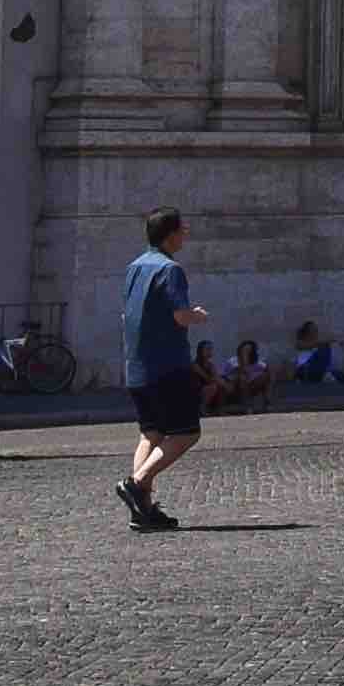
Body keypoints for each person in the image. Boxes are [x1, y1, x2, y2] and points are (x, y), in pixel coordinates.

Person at [118, 206, 200, 531]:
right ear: (170, 234)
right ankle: (137, 484)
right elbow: (179, 316)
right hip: (167, 366)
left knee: (150, 434)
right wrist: (197, 315)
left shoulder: (133, 268)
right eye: (182, 228)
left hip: (136, 366)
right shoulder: (171, 269)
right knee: (186, 433)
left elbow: (128, 315)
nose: (186, 233)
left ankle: (144, 512)